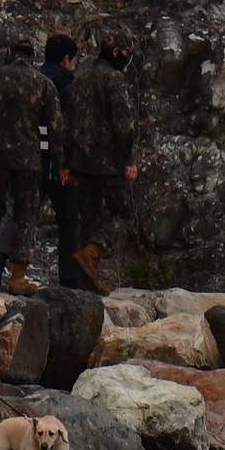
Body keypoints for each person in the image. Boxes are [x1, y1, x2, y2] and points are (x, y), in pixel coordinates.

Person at [0, 32, 62, 295]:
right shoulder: (43, 84)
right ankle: (18, 278)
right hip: (29, 160)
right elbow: (55, 129)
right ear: (33, 57)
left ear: (9, 53)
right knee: (27, 215)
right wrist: (57, 165)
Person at [64, 23, 138, 296]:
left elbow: (68, 121)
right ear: (116, 51)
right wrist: (129, 158)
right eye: (126, 52)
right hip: (110, 162)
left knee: (89, 218)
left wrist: (66, 163)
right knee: (124, 213)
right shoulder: (114, 79)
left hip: (82, 162)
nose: (127, 57)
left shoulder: (80, 77)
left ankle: (88, 282)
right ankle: (92, 252)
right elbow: (123, 123)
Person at [40, 33, 80, 288]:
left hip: (28, 157)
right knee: (68, 219)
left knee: (18, 215)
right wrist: (68, 165)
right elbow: (72, 129)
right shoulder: (67, 88)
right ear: (67, 59)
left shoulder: (34, 80)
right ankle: (69, 278)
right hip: (57, 162)